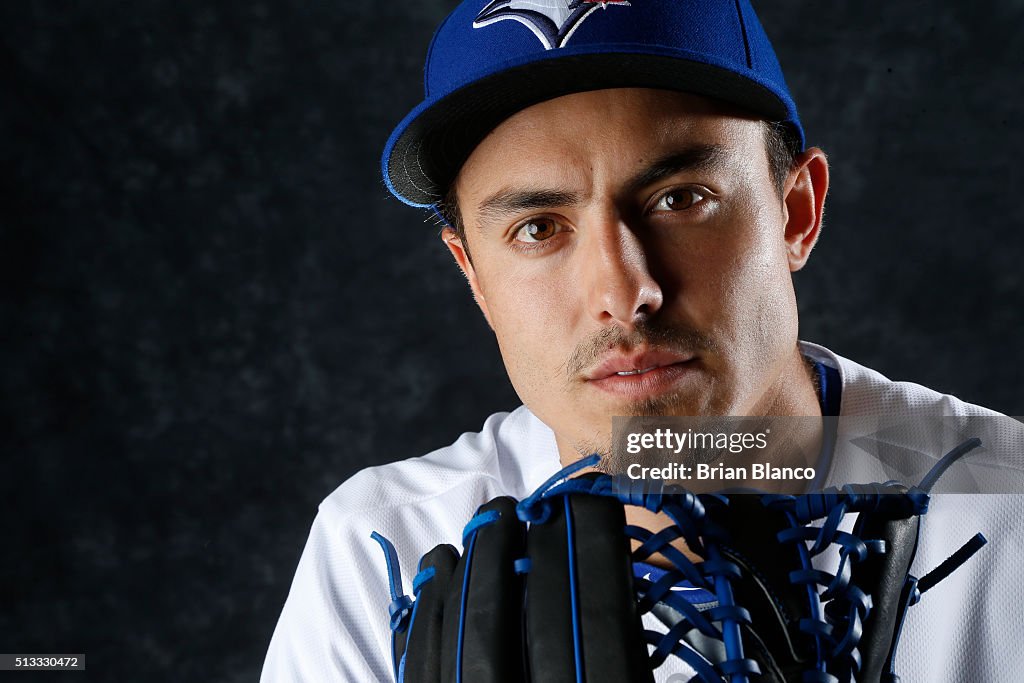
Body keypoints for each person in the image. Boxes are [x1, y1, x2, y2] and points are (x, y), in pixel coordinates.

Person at [261, 1, 1023, 681]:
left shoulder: (1008, 505)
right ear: (475, 277)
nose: (624, 293)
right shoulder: (384, 550)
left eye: (679, 199)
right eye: (538, 228)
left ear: (797, 212)